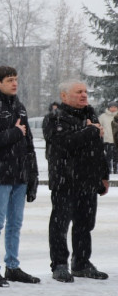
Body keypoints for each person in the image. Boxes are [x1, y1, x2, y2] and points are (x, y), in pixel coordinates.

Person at [0, 65, 40, 286]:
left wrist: (32, 175)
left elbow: (28, 143)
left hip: (20, 173)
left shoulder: (19, 106)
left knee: (16, 223)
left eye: (16, 79)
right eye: (9, 79)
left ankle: (12, 266)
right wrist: (14, 132)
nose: (14, 83)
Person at [43, 81, 110, 282]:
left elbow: (99, 149)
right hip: (65, 180)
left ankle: (81, 263)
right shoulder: (54, 118)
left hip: (88, 180)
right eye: (78, 92)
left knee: (85, 224)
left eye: (85, 92)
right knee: (60, 224)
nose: (84, 95)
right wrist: (89, 130)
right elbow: (64, 144)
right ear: (64, 96)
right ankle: (59, 264)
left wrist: (104, 175)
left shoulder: (91, 115)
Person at [100, 102, 118, 174]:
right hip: (107, 141)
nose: (113, 109)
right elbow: (98, 126)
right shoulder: (103, 116)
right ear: (108, 108)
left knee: (116, 158)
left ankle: (116, 171)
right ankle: (108, 171)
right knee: (108, 157)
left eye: (115, 107)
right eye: (111, 107)